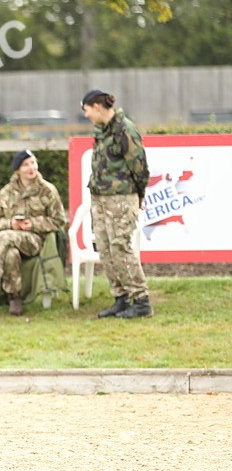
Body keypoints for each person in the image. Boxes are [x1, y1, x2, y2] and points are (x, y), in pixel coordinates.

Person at [81, 89, 152, 318]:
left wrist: (138, 197)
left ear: (97, 107)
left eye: (86, 110)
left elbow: (140, 167)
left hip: (121, 199)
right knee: (105, 249)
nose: (86, 115)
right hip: (99, 199)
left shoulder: (125, 130)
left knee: (121, 247)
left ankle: (141, 300)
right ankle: (120, 298)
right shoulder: (101, 131)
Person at [0, 150, 67, 316]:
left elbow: (59, 221)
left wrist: (34, 224)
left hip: (36, 240)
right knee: (11, 253)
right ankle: (14, 298)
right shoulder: (6, 193)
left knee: (4, 236)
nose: (31, 167)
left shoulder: (47, 190)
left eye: (33, 162)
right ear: (17, 170)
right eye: (26, 164)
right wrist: (11, 223)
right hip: (11, 239)